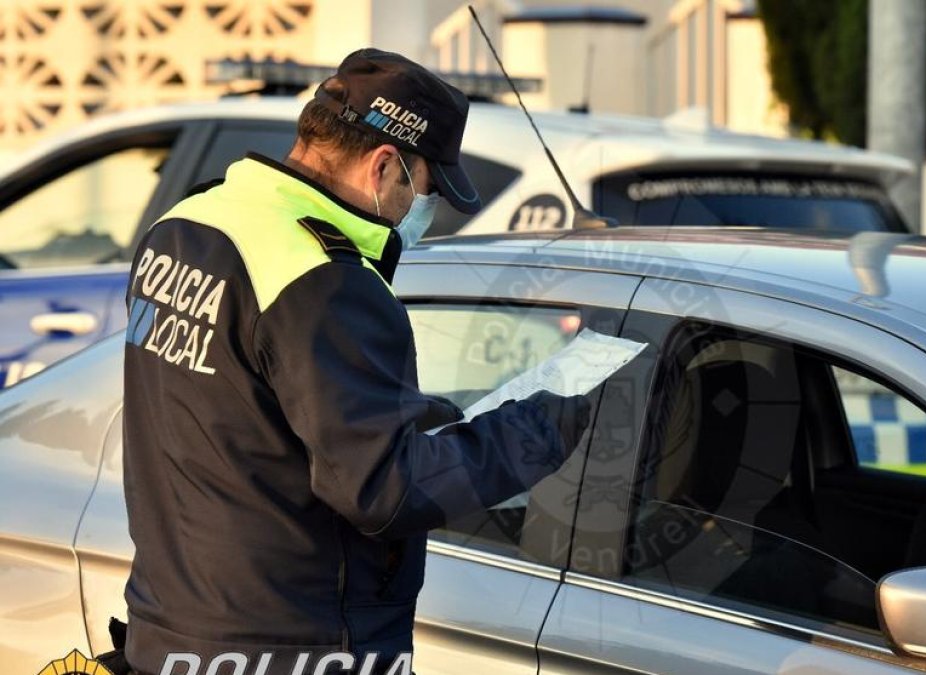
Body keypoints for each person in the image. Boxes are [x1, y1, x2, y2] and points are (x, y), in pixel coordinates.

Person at [119, 48, 591, 674]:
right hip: (293, 646)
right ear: (384, 165)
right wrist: (552, 424)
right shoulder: (325, 282)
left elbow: (250, 416)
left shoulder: (187, 224)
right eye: (426, 187)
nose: (423, 208)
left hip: (170, 630)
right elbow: (383, 491)